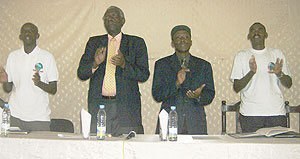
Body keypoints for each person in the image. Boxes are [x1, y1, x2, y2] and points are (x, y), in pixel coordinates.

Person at [77, 6, 150, 136]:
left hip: (126, 108)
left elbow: (144, 74)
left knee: (126, 150)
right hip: (99, 106)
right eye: (107, 17)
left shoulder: (136, 43)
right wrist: (95, 63)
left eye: (113, 16)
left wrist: (124, 65)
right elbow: (82, 73)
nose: (109, 19)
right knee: (99, 150)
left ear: (123, 21)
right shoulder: (94, 42)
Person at [152, 25, 215, 135]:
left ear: (191, 42)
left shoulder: (204, 65)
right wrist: (176, 83)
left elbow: (210, 94)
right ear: (172, 43)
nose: (182, 40)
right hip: (169, 123)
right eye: (178, 38)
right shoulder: (162, 64)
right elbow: (157, 95)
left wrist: (198, 96)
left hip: (195, 123)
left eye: (186, 37)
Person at [230, 22, 292, 133]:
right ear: (249, 35)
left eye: (260, 29)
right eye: (253, 30)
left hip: (276, 113)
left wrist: (279, 73)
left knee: (278, 149)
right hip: (250, 114)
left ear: (266, 34)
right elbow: (236, 87)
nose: (256, 32)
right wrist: (251, 73)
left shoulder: (277, 53)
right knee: (253, 149)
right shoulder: (241, 55)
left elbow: (289, 83)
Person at [0, 23, 59, 131]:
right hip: (15, 116)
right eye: (24, 31)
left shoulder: (47, 57)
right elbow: (8, 89)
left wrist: (39, 83)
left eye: (31, 31)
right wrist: (5, 81)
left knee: (40, 148)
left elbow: (53, 89)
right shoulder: (13, 56)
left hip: (39, 118)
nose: (27, 33)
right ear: (20, 36)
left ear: (37, 36)